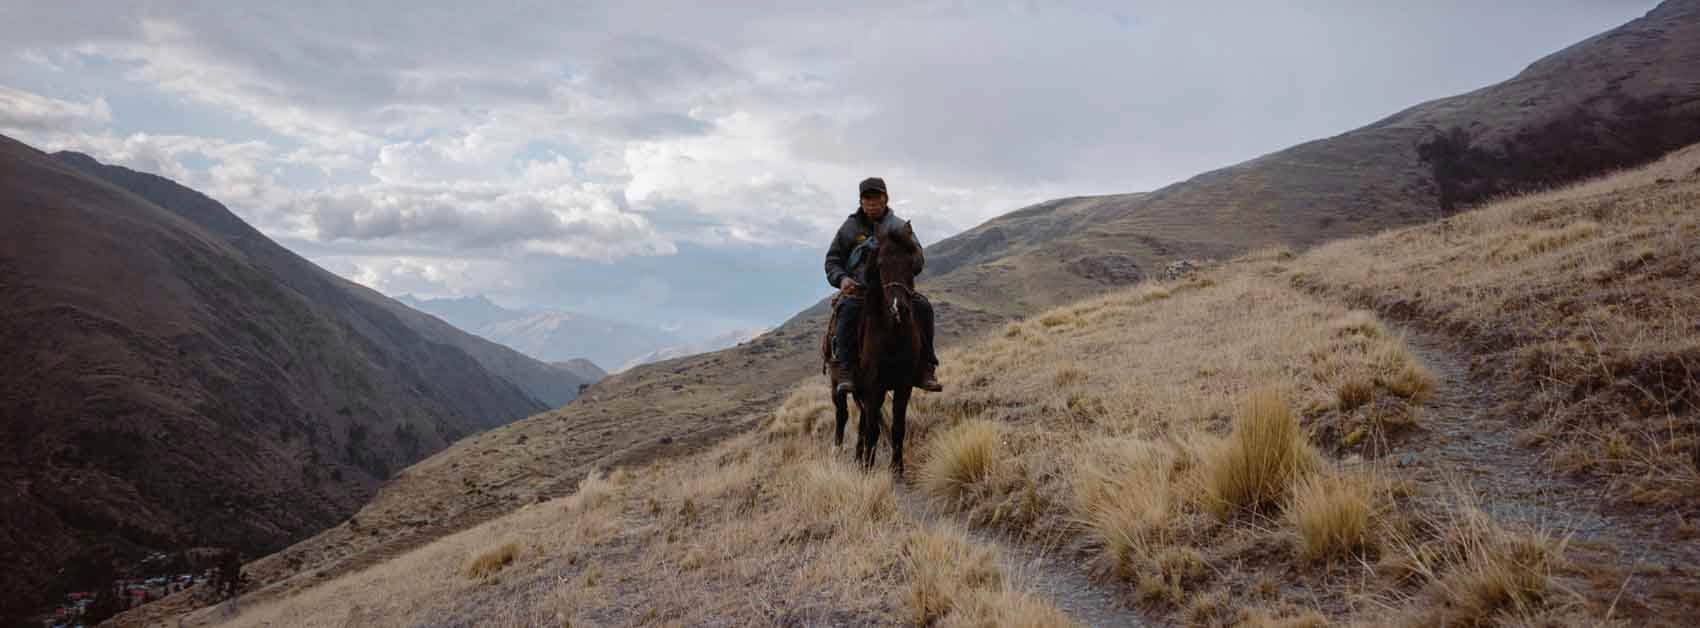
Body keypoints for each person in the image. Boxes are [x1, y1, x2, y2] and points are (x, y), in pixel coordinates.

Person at [824, 177, 942, 395]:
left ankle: (926, 367)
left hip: (895, 288)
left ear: (885, 199)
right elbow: (832, 260)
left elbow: (918, 258)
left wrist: (907, 263)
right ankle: (847, 369)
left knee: (923, 308)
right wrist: (842, 279)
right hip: (860, 290)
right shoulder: (850, 228)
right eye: (867, 199)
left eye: (876, 198)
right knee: (847, 312)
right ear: (860, 202)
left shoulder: (898, 226)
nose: (871, 203)